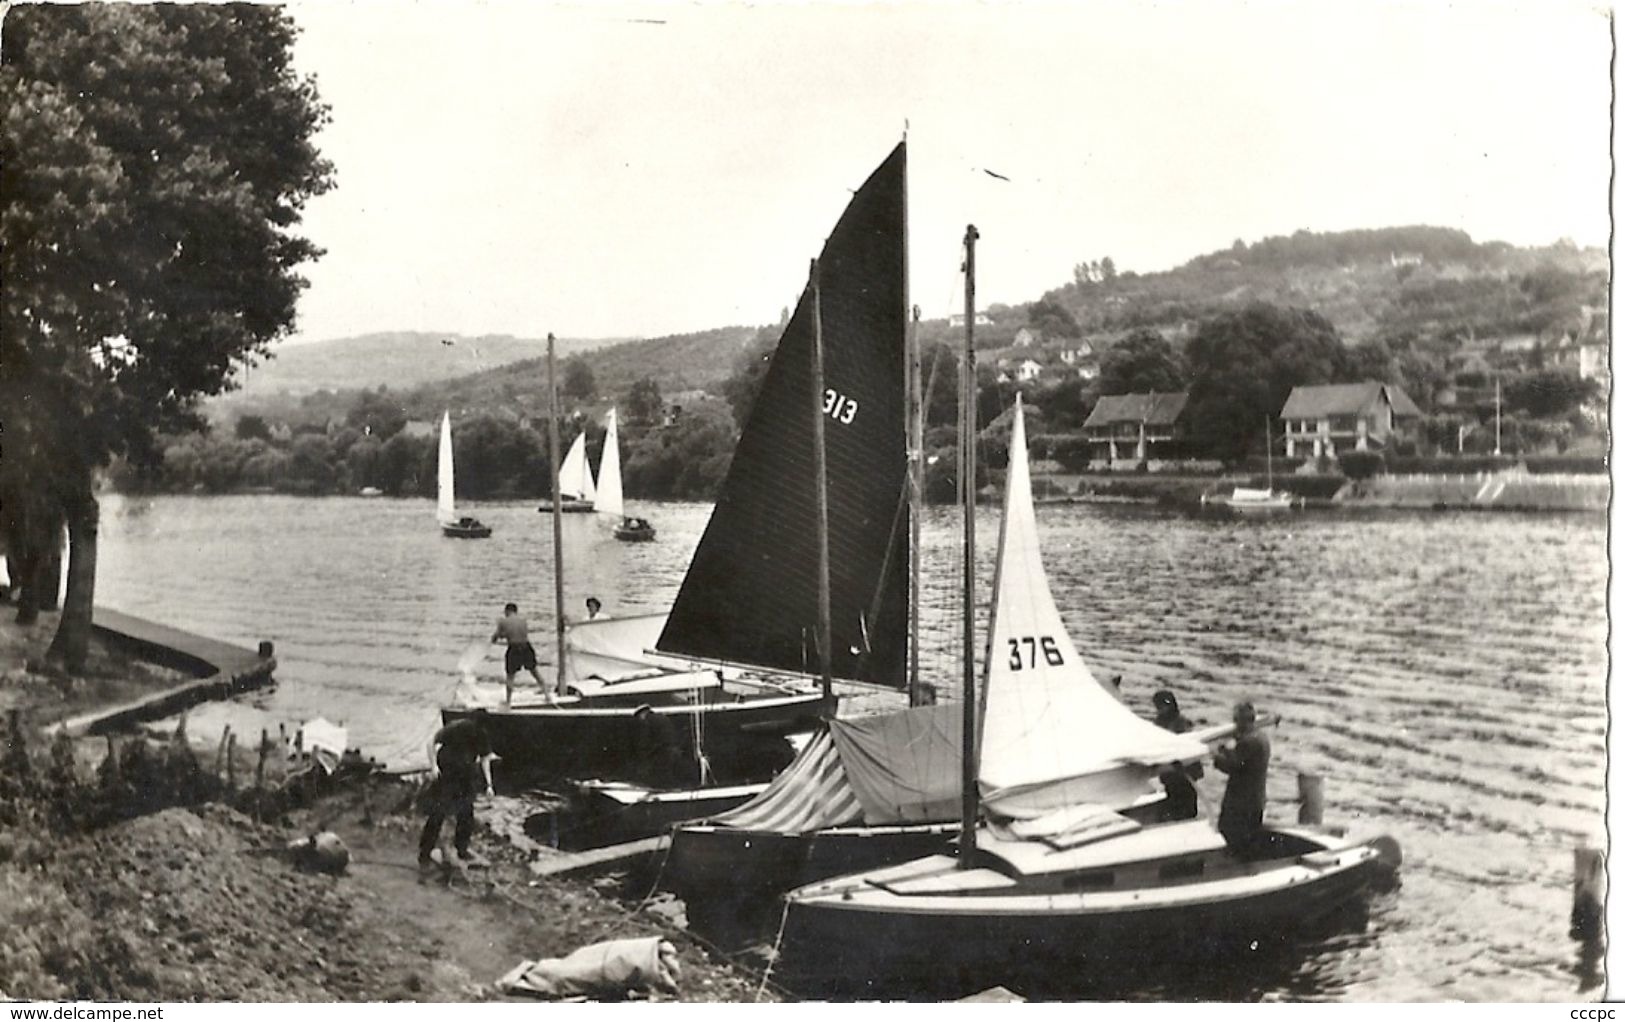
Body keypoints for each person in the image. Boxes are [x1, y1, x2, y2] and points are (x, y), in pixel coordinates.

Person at [419, 710, 495, 868]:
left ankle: (462, 848)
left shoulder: (483, 734)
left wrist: (489, 785)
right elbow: (430, 743)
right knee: (438, 812)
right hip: (447, 773)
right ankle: (425, 853)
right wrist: (433, 767)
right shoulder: (456, 727)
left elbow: (485, 759)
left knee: (466, 812)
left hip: (465, 775)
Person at [1213, 700, 1271, 856]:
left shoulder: (1248, 742)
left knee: (1233, 836)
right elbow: (1244, 762)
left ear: (1242, 721)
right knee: (1248, 838)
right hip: (1254, 799)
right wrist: (1226, 750)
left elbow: (1233, 766)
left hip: (1241, 803)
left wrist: (1217, 756)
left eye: (1236, 720)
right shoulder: (1261, 737)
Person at [1152, 689, 1201, 822]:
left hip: (1184, 776)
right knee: (1173, 804)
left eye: (1162, 706)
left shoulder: (1182, 724)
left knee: (1186, 808)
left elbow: (1190, 750)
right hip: (1169, 775)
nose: (1159, 710)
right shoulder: (1158, 723)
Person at [493, 602, 546, 702]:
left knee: (510, 676)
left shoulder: (503, 621)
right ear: (516, 611)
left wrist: (497, 635)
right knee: (535, 672)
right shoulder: (523, 621)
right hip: (526, 646)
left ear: (507, 611)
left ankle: (508, 700)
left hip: (514, 648)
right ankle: (547, 695)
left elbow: (497, 636)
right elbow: (521, 633)